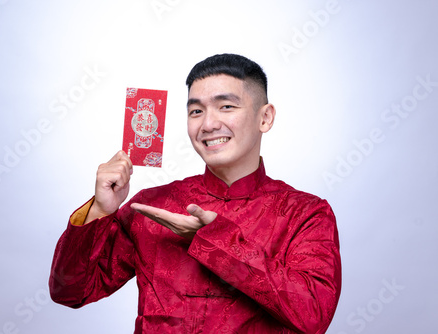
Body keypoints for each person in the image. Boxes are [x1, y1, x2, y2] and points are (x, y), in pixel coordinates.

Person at [49, 54, 342, 333]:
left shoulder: (306, 213)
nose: (208, 124)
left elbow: (313, 314)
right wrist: (101, 210)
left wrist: (212, 238)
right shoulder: (151, 205)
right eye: (196, 111)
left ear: (264, 118)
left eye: (226, 106)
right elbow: (71, 292)